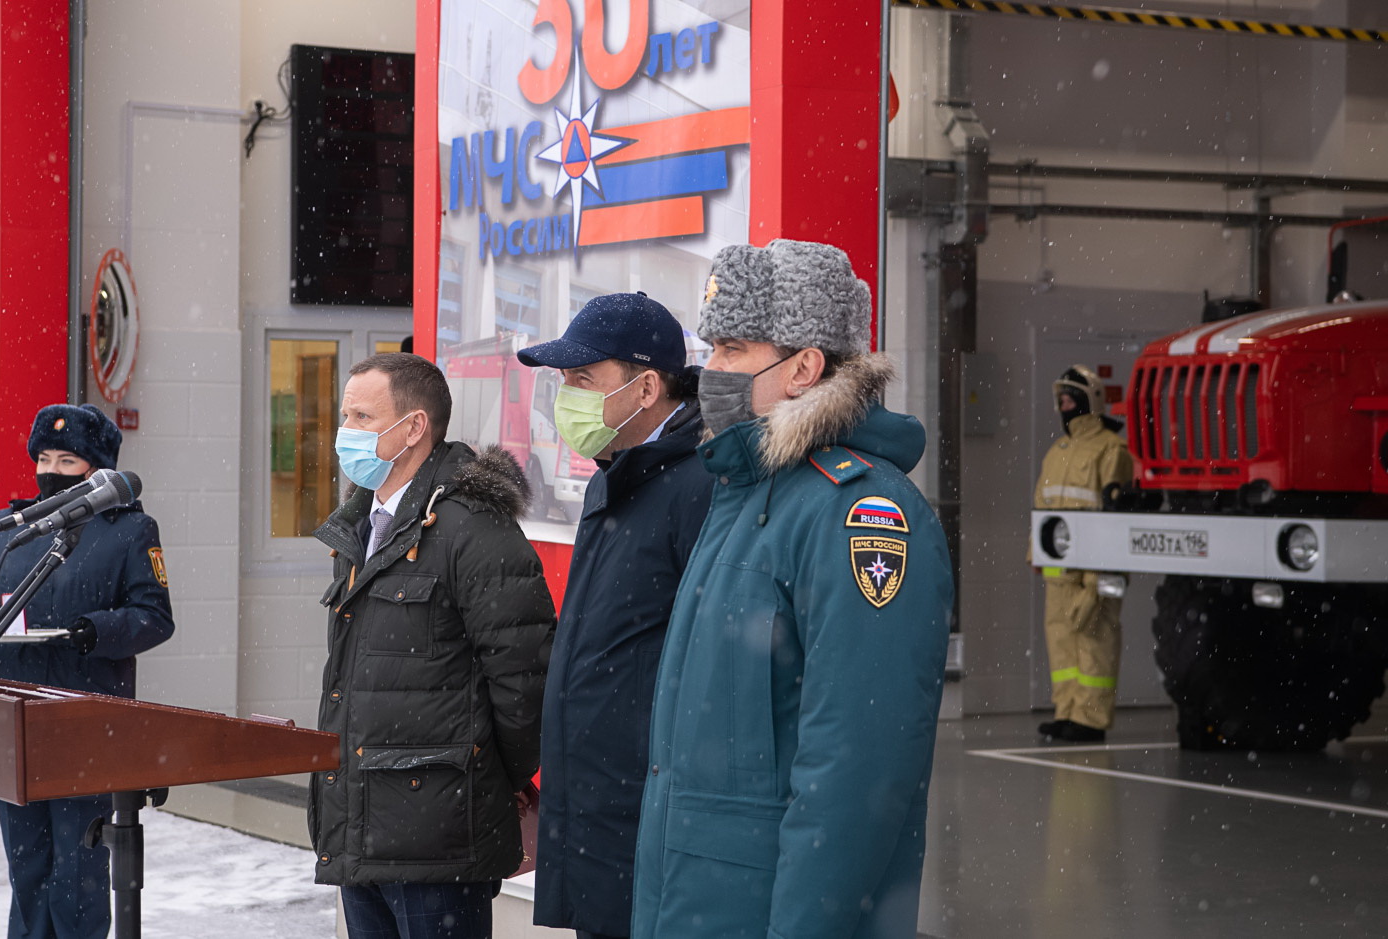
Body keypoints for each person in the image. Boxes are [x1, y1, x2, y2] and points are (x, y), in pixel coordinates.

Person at [631, 239, 954, 939]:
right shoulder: (743, 495)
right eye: (711, 345)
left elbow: (855, 771)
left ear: (805, 367)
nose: (710, 369)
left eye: (734, 348)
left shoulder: (863, 515)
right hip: (694, 906)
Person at [308, 352, 556, 939]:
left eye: (363, 417)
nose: (347, 433)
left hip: (437, 835)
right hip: (361, 827)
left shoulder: (471, 527)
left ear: (414, 427)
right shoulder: (363, 525)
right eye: (346, 416)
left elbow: (526, 677)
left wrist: (494, 778)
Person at [0, 403, 174, 939]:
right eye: (44, 457)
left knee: (77, 877)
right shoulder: (9, 530)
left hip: (83, 728)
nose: (52, 471)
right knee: (28, 871)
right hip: (14, 726)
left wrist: (97, 630)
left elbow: (154, 617)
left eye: (68, 460)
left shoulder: (129, 530)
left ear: (98, 470)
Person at [515, 293, 713, 939]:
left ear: (647, 386)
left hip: (644, 818)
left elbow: (704, 665)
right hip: (594, 808)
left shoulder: (699, 484)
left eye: (581, 378)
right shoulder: (614, 475)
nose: (564, 395)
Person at [1034, 365, 1133, 744]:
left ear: (1090, 401)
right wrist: (1036, 553)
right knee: (1061, 642)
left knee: (1095, 640)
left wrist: (1101, 576)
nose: (1064, 406)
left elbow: (1115, 517)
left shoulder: (1111, 449)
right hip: (1059, 571)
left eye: (1070, 399)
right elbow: (1042, 508)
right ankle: (1067, 712)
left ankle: (1091, 719)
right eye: (1061, 400)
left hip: (1094, 570)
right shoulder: (1057, 452)